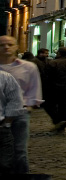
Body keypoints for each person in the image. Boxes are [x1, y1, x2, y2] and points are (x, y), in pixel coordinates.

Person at [0, 35, 43, 174]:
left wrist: (28, 106)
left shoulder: (28, 67)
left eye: (10, 44)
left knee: (19, 150)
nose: (6, 47)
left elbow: (34, 89)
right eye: (2, 45)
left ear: (17, 47)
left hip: (19, 114)